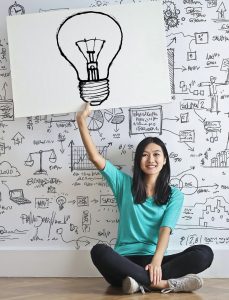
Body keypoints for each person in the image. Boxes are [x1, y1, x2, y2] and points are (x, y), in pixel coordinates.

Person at [76, 103, 214, 294]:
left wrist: (157, 260)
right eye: (145, 155)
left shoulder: (175, 195)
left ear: (165, 160)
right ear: (138, 161)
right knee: (99, 251)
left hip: (156, 261)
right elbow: (94, 157)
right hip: (124, 260)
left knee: (204, 253)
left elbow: (166, 230)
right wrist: (81, 120)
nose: (151, 160)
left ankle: (138, 282)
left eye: (156, 154)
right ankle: (164, 284)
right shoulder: (123, 184)